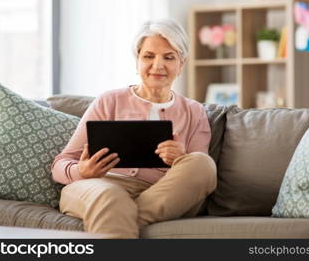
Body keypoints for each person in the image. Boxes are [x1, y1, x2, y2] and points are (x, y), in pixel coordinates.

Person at [51, 19, 217, 238]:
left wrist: (180, 158)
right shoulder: (108, 101)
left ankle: (117, 217)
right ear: (137, 60)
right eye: (148, 56)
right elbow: (59, 165)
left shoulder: (194, 112)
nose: (158, 65)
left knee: (202, 163)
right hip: (99, 188)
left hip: (161, 194)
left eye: (169, 57)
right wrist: (82, 171)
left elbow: (198, 175)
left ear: (181, 64)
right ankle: (118, 214)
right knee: (110, 197)